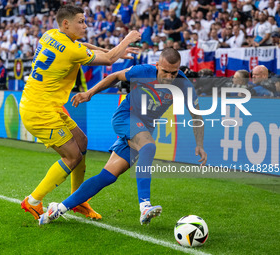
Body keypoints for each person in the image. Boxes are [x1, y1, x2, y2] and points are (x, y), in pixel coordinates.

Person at [38, 48, 207, 226]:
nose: (169, 77)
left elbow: (196, 115)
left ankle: (58, 208)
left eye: (174, 73)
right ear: (157, 65)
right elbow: (115, 76)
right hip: (125, 117)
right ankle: (145, 206)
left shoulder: (184, 85)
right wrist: (89, 93)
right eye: (165, 71)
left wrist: (200, 144)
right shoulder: (143, 71)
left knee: (108, 176)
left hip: (144, 128)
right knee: (149, 147)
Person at [19, 5, 141, 221]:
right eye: (81, 22)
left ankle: (78, 200)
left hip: (45, 104)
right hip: (40, 110)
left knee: (81, 142)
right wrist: (127, 39)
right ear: (66, 24)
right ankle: (33, 201)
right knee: (72, 156)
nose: (85, 25)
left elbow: (81, 45)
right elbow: (110, 60)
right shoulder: (70, 49)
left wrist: (112, 50)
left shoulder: (51, 35)